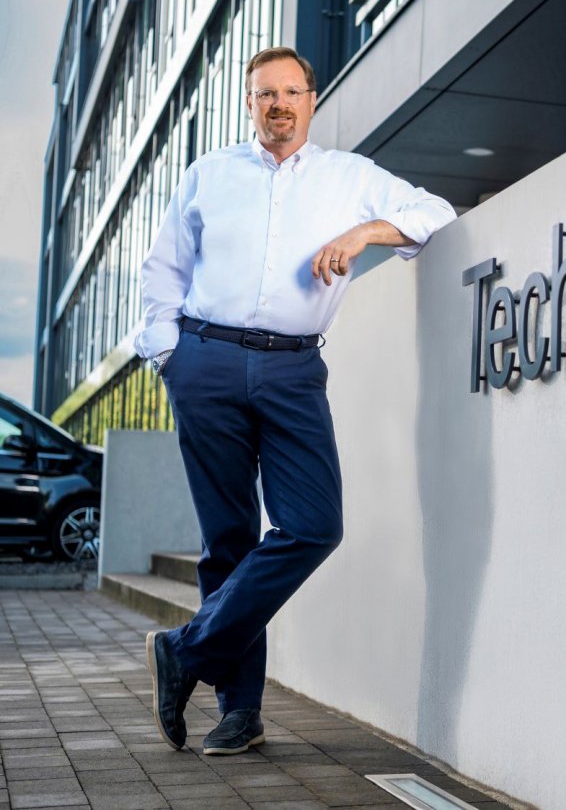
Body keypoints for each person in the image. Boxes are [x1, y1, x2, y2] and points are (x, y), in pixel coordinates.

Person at [135, 46, 455, 755]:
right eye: (265, 94)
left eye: (290, 92)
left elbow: (434, 211)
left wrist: (365, 231)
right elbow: (164, 271)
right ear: (250, 104)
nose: (278, 104)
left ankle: (185, 651)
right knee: (228, 539)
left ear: (312, 100)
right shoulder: (209, 174)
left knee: (313, 525)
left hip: (293, 369)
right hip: (206, 361)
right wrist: (169, 357)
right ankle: (239, 713)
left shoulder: (352, 177)